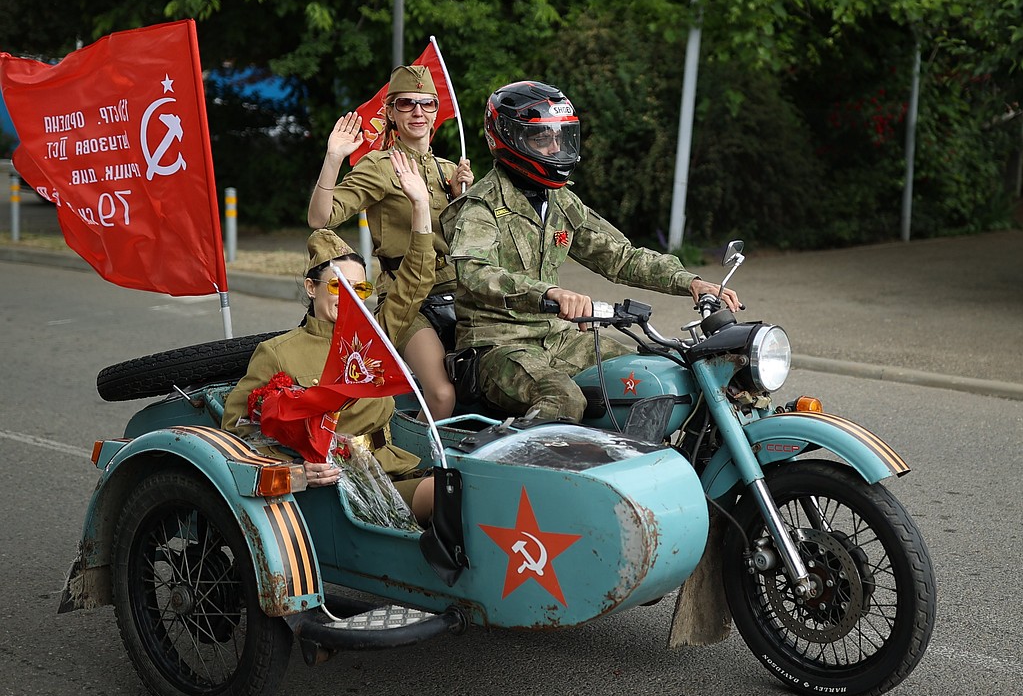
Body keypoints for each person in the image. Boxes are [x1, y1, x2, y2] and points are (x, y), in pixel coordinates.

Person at [447, 80, 741, 423]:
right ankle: (516, 467)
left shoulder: (560, 201)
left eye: (561, 137)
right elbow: (473, 272)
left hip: (557, 339)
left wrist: (689, 282)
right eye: (542, 138)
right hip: (498, 347)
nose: (555, 147)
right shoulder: (482, 206)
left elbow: (619, 256)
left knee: (660, 373)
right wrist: (550, 292)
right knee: (564, 400)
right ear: (509, 139)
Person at [225, 152, 437, 523]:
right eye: (339, 287)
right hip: (340, 488)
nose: (353, 298)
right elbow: (238, 431)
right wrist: (297, 471)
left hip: (392, 468)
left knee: (478, 481)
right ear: (311, 287)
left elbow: (416, 281)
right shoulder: (277, 353)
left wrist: (420, 205)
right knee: (450, 495)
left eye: (361, 288)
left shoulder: (376, 337)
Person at [308, 64, 474, 422]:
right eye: (406, 104)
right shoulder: (381, 166)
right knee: (442, 395)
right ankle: (418, 467)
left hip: (458, 291)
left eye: (427, 104)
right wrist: (334, 157)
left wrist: (463, 198)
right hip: (409, 296)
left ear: (436, 113)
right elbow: (321, 218)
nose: (418, 112)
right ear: (390, 113)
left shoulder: (449, 169)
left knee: (484, 380)